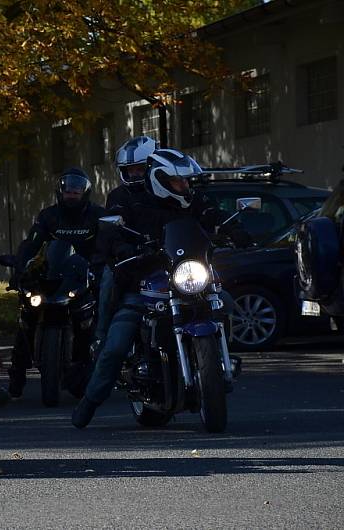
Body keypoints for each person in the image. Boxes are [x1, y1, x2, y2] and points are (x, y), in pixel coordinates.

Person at [72, 149, 251, 429]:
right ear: (161, 181)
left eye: (185, 182)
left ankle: (215, 363)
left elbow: (212, 213)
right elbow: (112, 233)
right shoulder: (130, 201)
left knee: (225, 302)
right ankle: (90, 401)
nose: (185, 186)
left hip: (187, 277)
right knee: (116, 345)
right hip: (142, 283)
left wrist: (235, 229)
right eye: (179, 182)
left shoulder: (191, 200)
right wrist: (123, 249)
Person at [6, 168, 106, 398]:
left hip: (85, 277)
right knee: (26, 319)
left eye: (76, 191)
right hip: (52, 277)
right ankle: (17, 376)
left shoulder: (97, 215)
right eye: (68, 191)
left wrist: (103, 265)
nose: (71, 195)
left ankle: (99, 369)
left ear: (85, 193)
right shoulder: (48, 216)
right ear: (60, 193)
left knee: (99, 317)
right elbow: (32, 242)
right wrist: (20, 266)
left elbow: (108, 243)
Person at [93, 136, 159, 352]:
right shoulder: (118, 196)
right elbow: (112, 224)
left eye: (139, 168)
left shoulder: (165, 190)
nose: (134, 174)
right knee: (108, 286)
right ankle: (101, 340)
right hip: (130, 259)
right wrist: (121, 247)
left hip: (165, 256)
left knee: (218, 294)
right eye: (129, 169)